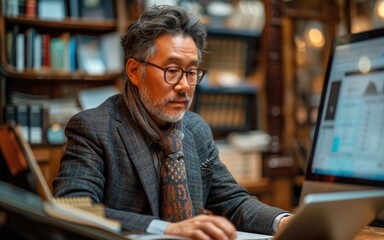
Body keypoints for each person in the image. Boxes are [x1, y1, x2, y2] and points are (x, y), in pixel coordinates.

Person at [53, 4, 292, 240]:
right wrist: (165, 229)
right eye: (172, 70)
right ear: (135, 71)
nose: (184, 86)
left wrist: (284, 222)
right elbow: (73, 207)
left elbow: (233, 201)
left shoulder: (196, 129)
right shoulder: (94, 128)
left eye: (191, 72)